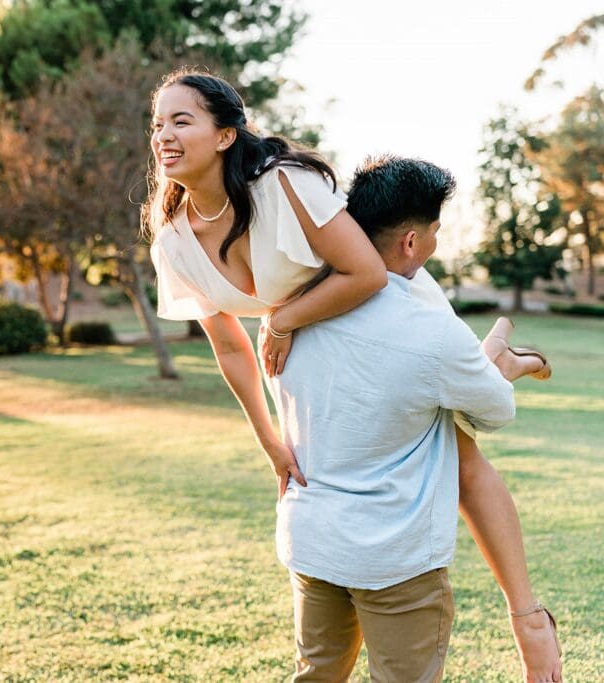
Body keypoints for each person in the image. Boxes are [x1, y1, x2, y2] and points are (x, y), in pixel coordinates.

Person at [142, 68, 562, 682]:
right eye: (158, 123)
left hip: (357, 309)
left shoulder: (285, 185)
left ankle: (503, 357)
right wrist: (270, 443)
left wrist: (283, 322)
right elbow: (228, 343)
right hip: (338, 337)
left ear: (227, 134)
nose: (163, 135)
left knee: (463, 441)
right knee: (466, 415)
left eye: (182, 120)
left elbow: (365, 272)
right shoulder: (173, 232)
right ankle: (503, 354)